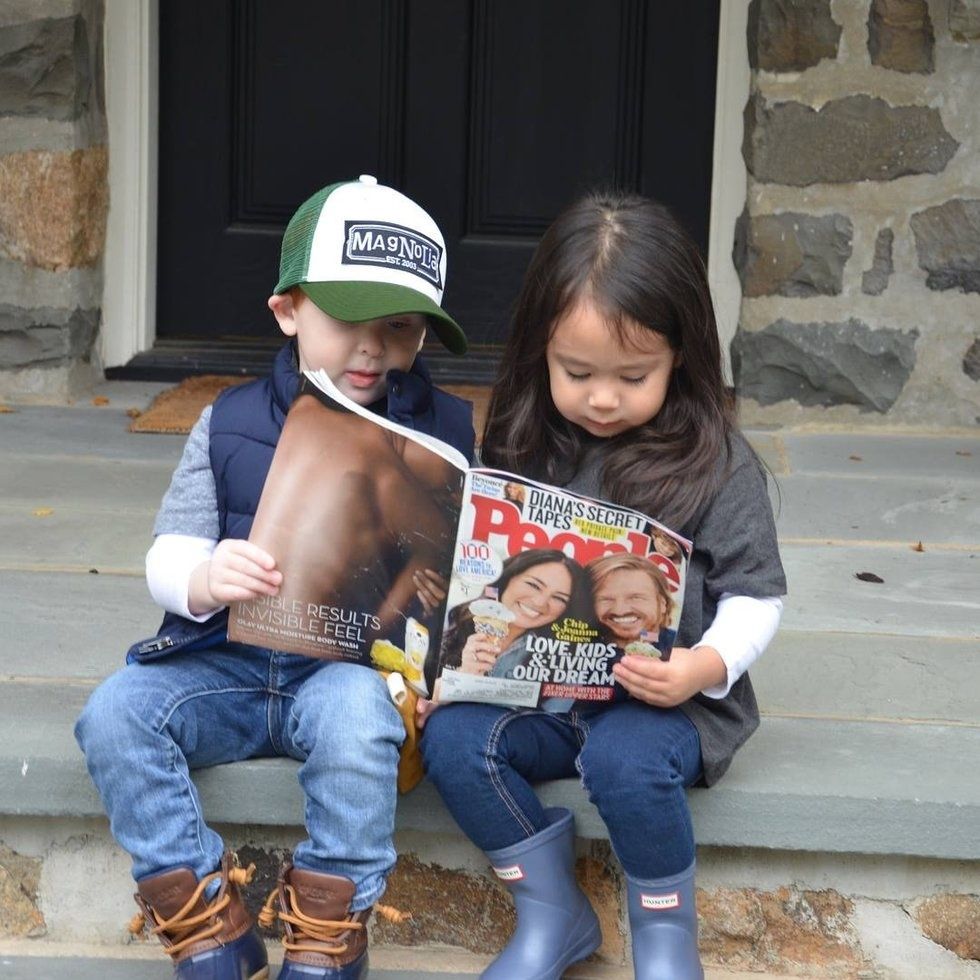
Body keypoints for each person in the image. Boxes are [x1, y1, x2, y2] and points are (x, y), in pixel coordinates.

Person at [74, 175, 475, 980]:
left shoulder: (449, 433)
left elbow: (468, 581)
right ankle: (207, 923)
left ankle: (331, 930)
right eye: (347, 322)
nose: (372, 349)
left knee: (360, 729)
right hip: (220, 661)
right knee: (114, 715)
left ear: (424, 339)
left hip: (345, 675)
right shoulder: (229, 419)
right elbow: (166, 553)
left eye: (399, 329)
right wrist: (205, 575)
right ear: (289, 311)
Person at [419, 191, 786, 980]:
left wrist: (704, 665)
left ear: (680, 355)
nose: (604, 397)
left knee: (623, 762)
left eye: (634, 375)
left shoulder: (717, 463)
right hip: (541, 698)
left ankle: (662, 938)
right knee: (451, 740)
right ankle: (551, 912)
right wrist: (456, 661)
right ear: (537, 350)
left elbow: (757, 595)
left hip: (665, 704)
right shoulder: (523, 441)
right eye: (577, 372)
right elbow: (481, 577)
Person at [438, 549, 592, 679]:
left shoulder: (564, 658)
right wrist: (465, 673)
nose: (540, 602)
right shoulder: (450, 618)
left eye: (559, 598)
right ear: (507, 578)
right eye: (534, 585)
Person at [589, 552, 677, 658]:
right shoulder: (576, 647)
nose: (620, 610)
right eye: (606, 599)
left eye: (635, 598)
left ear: (663, 604)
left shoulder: (677, 646)